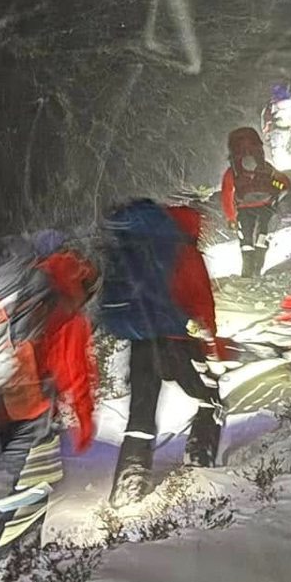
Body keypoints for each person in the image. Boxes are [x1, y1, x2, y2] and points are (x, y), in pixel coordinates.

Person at [0, 237, 99, 568]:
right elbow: (76, 373)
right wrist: (85, 422)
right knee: (28, 486)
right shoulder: (68, 314)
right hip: (33, 407)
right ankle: (6, 562)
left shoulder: (23, 289)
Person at [100, 198, 229, 507]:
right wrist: (209, 345)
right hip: (179, 341)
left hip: (143, 341)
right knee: (210, 398)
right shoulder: (184, 251)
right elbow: (200, 303)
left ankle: (129, 486)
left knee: (141, 413)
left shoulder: (143, 248)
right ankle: (199, 465)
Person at [221, 125, 291, 281]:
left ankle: (246, 273)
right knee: (262, 237)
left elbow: (227, 193)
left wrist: (231, 217)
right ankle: (258, 270)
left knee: (246, 240)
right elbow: (285, 183)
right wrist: (276, 189)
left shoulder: (233, 170)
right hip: (266, 206)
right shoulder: (265, 167)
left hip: (244, 209)